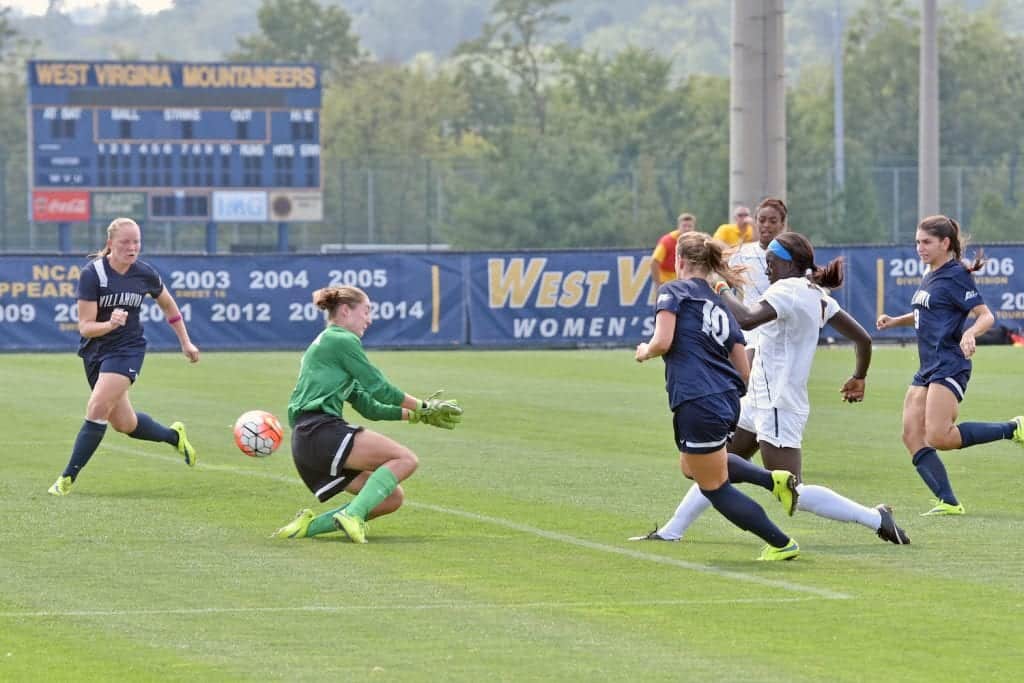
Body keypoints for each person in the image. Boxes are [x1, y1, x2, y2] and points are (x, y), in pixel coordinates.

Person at [633, 230, 911, 546]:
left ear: (788, 262)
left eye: (771, 262)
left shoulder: (789, 289)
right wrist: (859, 376)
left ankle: (875, 518)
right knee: (713, 464)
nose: (768, 269)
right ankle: (672, 530)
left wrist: (719, 286)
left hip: (777, 401)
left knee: (793, 490)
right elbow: (863, 338)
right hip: (760, 398)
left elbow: (748, 320)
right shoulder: (816, 294)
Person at [635, 231, 801, 561]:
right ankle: (773, 480)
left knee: (713, 487)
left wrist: (645, 351)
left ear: (678, 261)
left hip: (698, 399)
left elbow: (663, 341)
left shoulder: (672, 292)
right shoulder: (719, 304)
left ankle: (781, 543)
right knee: (691, 467)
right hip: (726, 400)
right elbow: (743, 370)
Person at [272, 285, 463, 544]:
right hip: (319, 430)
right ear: (345, 310)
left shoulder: (331, 346)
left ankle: (308, 526)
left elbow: (370, 407)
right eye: (366, 311)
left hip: (307, 441)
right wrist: (423, 406)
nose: (369, 319)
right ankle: (352, 515)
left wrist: (415, 416)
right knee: (405, 459)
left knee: (392, 498)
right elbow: (380, 388)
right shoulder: (341, 339)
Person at [877, 215, 1024, 515]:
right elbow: (927, 311)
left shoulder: (956, 274)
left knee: (939, 437)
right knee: (911, 435)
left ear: (945, 243)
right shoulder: (932, 273)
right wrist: (895, 321)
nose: (920, 247)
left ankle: (1013, 428)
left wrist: (970, 333)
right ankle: (948, 502)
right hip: (927, 365)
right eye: (917, 242)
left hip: (949, 363)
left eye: (926, 242)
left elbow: (986, 316)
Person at [47, 217, 200, 496]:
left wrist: (186, 342)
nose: (132, 248)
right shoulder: (93, 275)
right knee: (125, 424)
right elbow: (85, 327)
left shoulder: (144, 273)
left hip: (127, 350)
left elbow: (168, 305)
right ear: (110, 244)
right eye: (125, 242)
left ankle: (66, 479)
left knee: (96, 409)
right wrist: (109, 324)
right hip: (95, 352)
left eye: (136, 242)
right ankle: (174, 436)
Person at [727, 197, 788, 358]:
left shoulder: (792, 255)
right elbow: (725, 286)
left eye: (773, 221)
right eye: (762, 220)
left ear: (782, 224)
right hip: (751, 325)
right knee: (747, 370)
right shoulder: (742, 253)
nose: (766, 225)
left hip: (781, 327)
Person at [649, 213, 697, 285]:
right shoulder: (667, 241)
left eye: (689, 226)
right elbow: (654, 262)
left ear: (693, 228)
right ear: (679, 227)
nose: (687, 229)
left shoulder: (697, 241)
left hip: (686, 282)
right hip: (667, 282)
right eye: (684, 226)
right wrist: (658, 283)